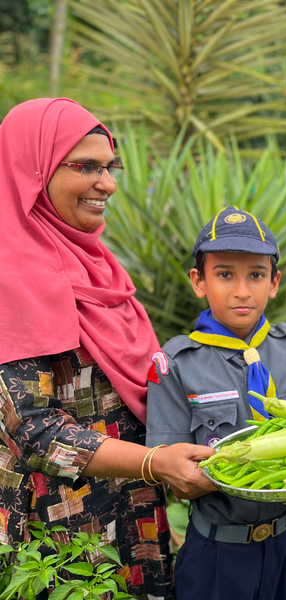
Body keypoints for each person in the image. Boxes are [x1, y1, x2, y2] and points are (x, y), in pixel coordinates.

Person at [0, 98, 214, 600]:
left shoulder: (98, 266)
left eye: (109, 167)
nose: (108, 184)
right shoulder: (10, 275)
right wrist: (154, 462)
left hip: (133, 516)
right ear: (33, 171)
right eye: (86, 167)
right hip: (55, 540)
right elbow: (32, 431)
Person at [145, 207, 286, 600]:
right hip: (220, 552)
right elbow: (174, 476)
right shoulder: (176, 364)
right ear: (199, 281)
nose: (241, 290)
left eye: (256, 275)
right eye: (224, 274)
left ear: (274, 283)